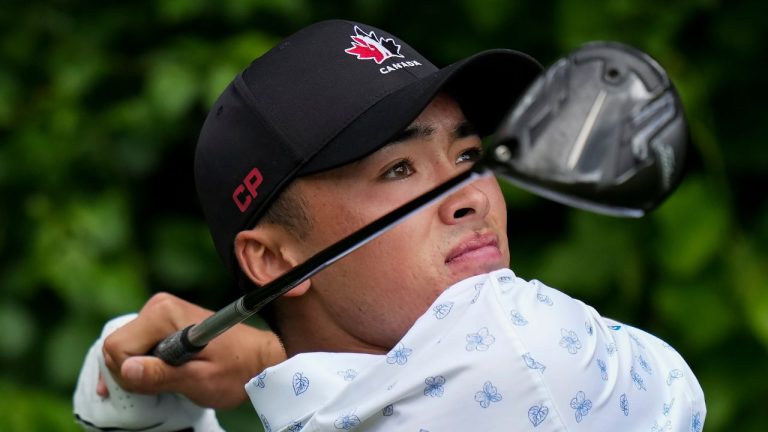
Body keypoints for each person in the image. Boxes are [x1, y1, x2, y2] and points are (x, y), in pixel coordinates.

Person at [73, 19, 706, 431]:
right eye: (399, 169)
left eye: (467, 157)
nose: (472, 199)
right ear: (275, 262)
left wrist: (151, 400)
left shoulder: (521, 355)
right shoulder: (529, 354)